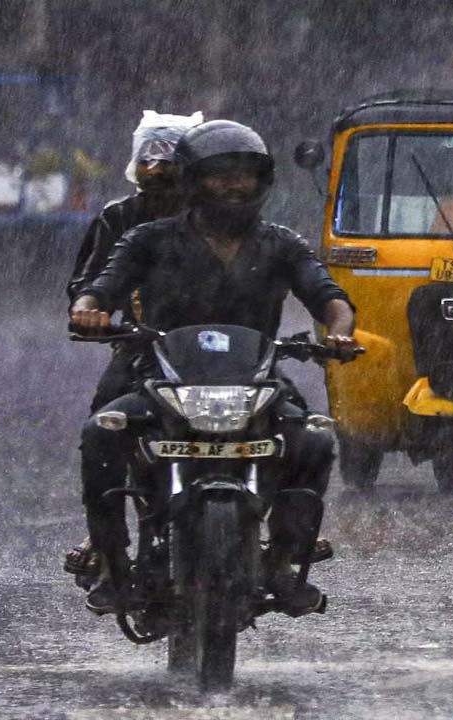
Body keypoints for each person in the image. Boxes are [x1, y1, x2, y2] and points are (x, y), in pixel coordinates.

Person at [70, 120, 358, 614]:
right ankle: (113, 560)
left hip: (258, 378)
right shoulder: (147, 239)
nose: (234, 185)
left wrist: (339, 330)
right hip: (156, 373)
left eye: (244, 175)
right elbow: (103, 284)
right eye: (220, 174)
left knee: (313, 438)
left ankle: (284, 558)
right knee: (102, 432)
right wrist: (89, 308)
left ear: (262, 182)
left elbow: (328, 296)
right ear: (191, 181)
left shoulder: (282, 243)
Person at [62, 110, 202, 583]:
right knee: (104, 424)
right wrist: (92, 308)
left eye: (172, 160)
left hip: (228, 354)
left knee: (290, 423)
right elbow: (91, 283)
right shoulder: (120, 220)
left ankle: (284, 532)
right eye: (151, 160)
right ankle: (105, 538)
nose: (160, 171)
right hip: (147, 351)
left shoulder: (226, 222)